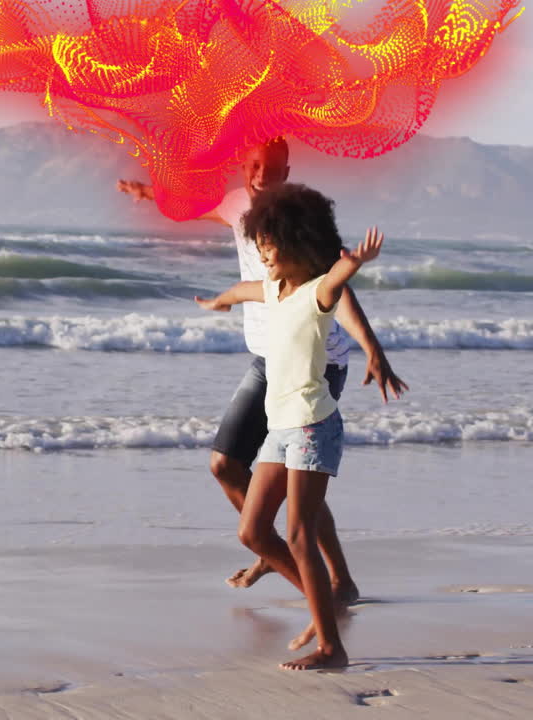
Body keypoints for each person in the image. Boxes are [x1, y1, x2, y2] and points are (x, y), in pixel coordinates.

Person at [117, 139, 407, 603]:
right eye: (253, 165)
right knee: (225, 465)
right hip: (268, 359)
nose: (260, 176)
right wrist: (148, 193)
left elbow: (337, 288)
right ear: (242, 165)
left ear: (286, 171)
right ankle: (273, 550)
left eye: (271, 169)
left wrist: (372, 347)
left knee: (299, 480)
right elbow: (195, 207)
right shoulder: (237, 206)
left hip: (318, 362)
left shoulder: (297, 220)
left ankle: (330, 581)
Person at [195, 183, 383, 670]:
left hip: (311, 429)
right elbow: (243, 290)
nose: (263, 255)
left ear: (299, 243)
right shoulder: (274, 290)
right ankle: (325, 612)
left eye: (270, 247)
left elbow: (337, 278)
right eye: (259, 246)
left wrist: (354, 260)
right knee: (253, 532)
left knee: (299, 535)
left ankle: (330, 647)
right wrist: (218, 302)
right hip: (281, 430)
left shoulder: (315, 293)